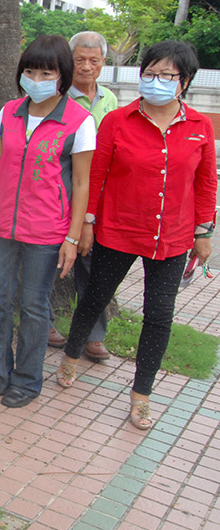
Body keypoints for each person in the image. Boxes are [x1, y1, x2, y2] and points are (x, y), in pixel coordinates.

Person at [52, 40, 216, 429]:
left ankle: (141, 394)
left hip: (172, 238)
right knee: (94, 299)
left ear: (185, 81)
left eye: (166, 76)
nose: (156, 82)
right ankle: (72, 355)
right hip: (118, 231)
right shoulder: (119, 121)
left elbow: (207, 182)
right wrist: (87, 224)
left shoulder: (199, 126)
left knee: (159, 317)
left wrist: (203, 231)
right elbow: (96, 177)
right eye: (150, 74)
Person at [0, 35, 96, 408]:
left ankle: (26, 380)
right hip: (3, 226)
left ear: (62, 76)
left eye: (46, 72)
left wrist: (72, 237)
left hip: (47, 231)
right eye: (30, 71)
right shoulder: (9, 111)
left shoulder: (79, 121)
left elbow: (83, 183)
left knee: (34, 306)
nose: (36, 79)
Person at [47, 32, 119, 360]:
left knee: (94, 270)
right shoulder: (57, 99)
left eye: (94, 61)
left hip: (97, 201)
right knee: (47, 262)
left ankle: (93, 335)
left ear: (103, 63)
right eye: (80, 60)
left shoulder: (111, 101)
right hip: (59, 195)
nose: (86, 67)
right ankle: (44, 321)